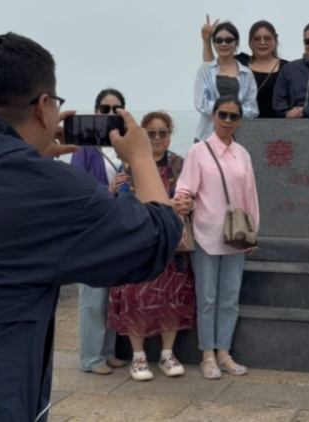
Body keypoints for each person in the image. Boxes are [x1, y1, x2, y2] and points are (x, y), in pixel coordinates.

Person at [0, 32, 184, 422]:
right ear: (44, 107)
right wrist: (142, 158)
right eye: (54, 104)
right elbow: (157, 239)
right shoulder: (48, 190)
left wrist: (28, 150)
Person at [175, 96, 260, 380]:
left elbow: (251, 196)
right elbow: (185, 188)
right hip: (206, 233)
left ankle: (224, 352)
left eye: (233, 116)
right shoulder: (198, 152)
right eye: (222, 114)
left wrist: (253, 233)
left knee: (230, 297)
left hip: (237, 236)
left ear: (240, 121)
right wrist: (181, 201)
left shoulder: (243, 154)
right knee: (208, 297)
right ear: (213, 116)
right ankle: (207, 354)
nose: (227, 121)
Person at [108, 111, 196, 381]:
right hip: (138, 244)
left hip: (173, 245)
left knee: (172, 297)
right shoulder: (129, 165)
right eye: (151, 133)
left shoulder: (180, 165)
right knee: (136, 297)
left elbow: (191, 195)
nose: (157, 138)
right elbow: (125, 204)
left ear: (170, 135)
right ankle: (138, 356)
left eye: (163, 133)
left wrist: (188, 204)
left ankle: (167, 354)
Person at [70, 88, 129, 375]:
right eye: (104, 109)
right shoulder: (84, 147)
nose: (109, 114)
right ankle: (91, 358)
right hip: (92, 231)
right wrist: (110, 190)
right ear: (95, 112)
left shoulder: (124, 146)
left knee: (113, 297)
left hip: (116, 228)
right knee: (93, 298)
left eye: (115, 109)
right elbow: (79, 191)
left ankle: (107, 351)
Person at [201, 16, 288, 118]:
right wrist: (206, 40)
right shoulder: (241, 62)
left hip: (277, 125)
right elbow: (211, 67)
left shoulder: (287, 68)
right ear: (250, 42)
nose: (262, 42)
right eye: (257, 39)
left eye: (267, 38)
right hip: (242, 124)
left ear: (275, 40)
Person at [194, 21, 259, 143]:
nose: (223, 44)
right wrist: (226, 113)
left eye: (228, 40)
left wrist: (230, 115)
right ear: (214, 43)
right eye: (218, 40)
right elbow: (200, 103)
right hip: (206, 136)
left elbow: (252, 108)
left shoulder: (246, 73)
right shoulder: (205, 70)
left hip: (238, 139)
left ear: (236, 42)